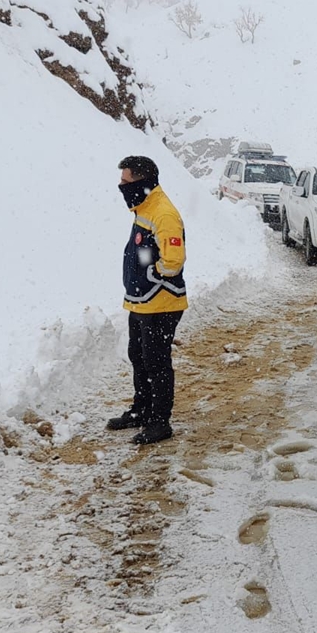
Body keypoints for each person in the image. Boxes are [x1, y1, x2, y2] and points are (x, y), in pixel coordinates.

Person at [107, 156, 187, 445]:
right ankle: (142, 409)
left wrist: (153, 274)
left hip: (161, 303)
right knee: (138, 357)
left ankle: (159, 421)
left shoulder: (163, 213)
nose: (121, 187)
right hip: (140, 302)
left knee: (156, 363)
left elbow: (173, 260)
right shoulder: (144, 207)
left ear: (142, 181)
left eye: (126, 181)